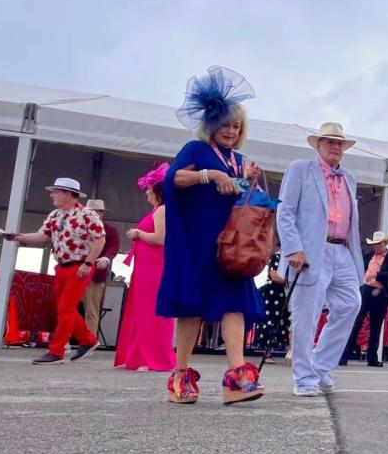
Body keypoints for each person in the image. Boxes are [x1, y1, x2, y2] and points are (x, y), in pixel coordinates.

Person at [156, 66, 265, 405]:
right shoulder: (195, 149)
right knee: (191, 308)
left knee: (235, 306)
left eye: (236, 126)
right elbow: (173, 180)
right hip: (196, 242)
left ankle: (237, 377)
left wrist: (250, 181)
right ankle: (181, 375)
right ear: (211, 124)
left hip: (230, 245)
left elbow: (247, 198)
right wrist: (210, 174)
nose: (231, 131)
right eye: (225, 124)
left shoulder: (241, 159)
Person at [277, 122, 363, 397]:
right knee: (306, 315)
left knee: (351, 304)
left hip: (342, 250)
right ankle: (304, 377)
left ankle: (321, 364)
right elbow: (285, 211)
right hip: (312, 251)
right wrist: (293, 248)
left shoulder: (349, 177)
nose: (336, 147)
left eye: (339, 143)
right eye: (330, 142)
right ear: (318, 145)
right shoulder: (300, 169)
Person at [3, 178, 106, 364]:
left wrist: (88, 263)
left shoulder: (88, 214)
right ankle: (88, 340)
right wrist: (17, 237)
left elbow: (100, 240)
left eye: (56, 191)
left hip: (80, 265)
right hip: (62, 266)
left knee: (65, 308)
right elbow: (42, 236)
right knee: (63, 308)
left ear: (68, 194)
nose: (52, 195)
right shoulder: (55, 215)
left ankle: (57, 351)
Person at [114, 164, 175, 371]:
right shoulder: (157, 210)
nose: (147, 191)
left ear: (158, 190)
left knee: (152, 311)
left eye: (150, 187)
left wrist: (138, 234)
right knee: (140, 310)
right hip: (145, 267)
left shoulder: (163, 211)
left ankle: (154, 358)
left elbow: (161, 238)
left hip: (155, 267)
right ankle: (137, 356)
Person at [339, 231, 388, 367]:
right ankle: (344, 355)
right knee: (356, 322)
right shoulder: (369, 255)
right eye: (374, 244)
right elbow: (358, 267)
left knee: (375, 326)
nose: (375, 247)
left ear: (384, 244)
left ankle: (372, 358)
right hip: (366, 290)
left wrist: (377, 275)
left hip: (380, 292)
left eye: (378, 244)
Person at [82, 199, 120, 342]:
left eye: (95, 212)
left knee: (91, 311)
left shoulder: (110, 230)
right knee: (67, 308)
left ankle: (88, 341)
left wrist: (106, 258)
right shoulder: (78, 228)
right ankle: (64, 341)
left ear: (101, 214)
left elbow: (113, 248)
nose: (91, 215)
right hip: (75, 272)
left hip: (95, 275)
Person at [254, 249, 291, 361]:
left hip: (283, 294)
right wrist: (290, 281)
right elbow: (274, 275)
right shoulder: (276, 257)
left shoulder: (288, 259)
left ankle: (272, 350)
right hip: (273, 294)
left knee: (280, 322)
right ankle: (267, 352)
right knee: (271, 321)